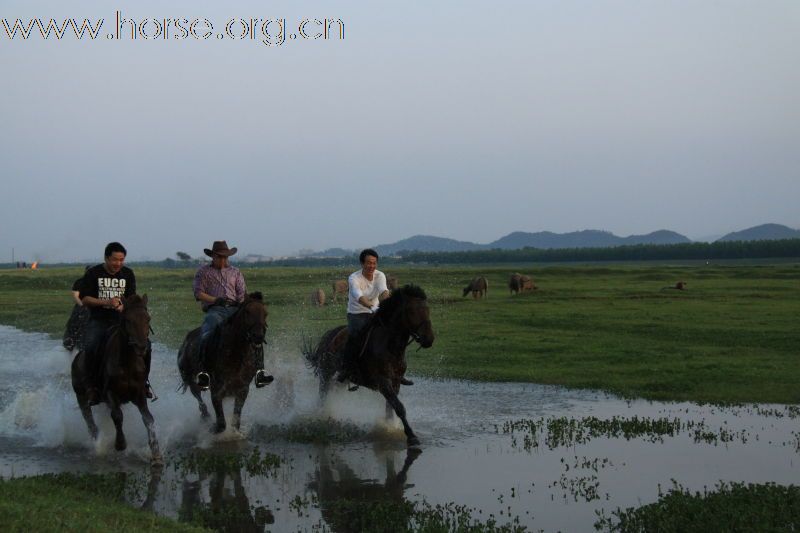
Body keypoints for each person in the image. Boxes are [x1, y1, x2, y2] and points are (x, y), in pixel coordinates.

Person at [192, 240, 273, 389]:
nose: (223, 260)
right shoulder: (203, 272)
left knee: (256, 333)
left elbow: (242, 293)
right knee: (207, 333)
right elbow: (198, 293)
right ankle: (204, 373)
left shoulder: (236, 272)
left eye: (225, 257)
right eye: (219, 257)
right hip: (215, 310)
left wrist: (242, 305)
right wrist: (216, 300)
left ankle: (260, 372)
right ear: (213, 256)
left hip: (236, 310)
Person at [79, 242, 151, 404]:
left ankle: (144, 383)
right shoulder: (93, 273)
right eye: (114, 260)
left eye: (121, 260)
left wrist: (124, 306)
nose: (118, 263)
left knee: (146, 344)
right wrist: (107, 302)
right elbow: (85, 299)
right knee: (91, 345)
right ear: (106, 258)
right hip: (99, 320)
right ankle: (92, 387)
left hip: (122, 321)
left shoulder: (128, 274)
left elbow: (132, 299)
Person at [339, 249, 411, 388]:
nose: (371, 266)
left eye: (374, 263)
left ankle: (397, 371)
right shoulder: (354, 278)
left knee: (392, 334)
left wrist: (388, 304)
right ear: (362, 263)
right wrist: (371, 306)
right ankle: (346, 368)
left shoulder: (380, 276)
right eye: (368, 263)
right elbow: (358, 296)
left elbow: (384, 292)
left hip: (376, 312)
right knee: (356, 336)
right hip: (356, 313)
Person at [62, 266, 90, 351]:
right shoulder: (80, 282)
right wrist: (83, 305)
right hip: (82, 305)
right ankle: (70, 339)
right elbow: (76, 296)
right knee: (75, 319)